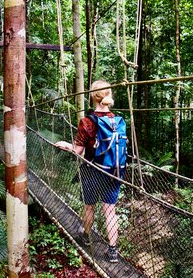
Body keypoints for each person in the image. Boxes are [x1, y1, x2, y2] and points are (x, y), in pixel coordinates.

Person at [55, 80, 123, 263]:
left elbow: (78, 151)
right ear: (108, 95)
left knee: (89, 206)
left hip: (92, 170)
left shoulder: (87, 122)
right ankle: (113, 251)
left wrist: (66, 144)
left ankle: (85, 235)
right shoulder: (116, 121)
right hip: (113, 172)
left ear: (92, 97)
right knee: (110, 211)